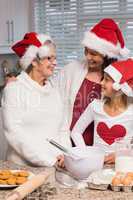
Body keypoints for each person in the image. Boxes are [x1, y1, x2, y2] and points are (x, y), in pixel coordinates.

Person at [55, 18, 130, 147]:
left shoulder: (119, 78)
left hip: (104, 147)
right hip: (69, 143)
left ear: (107, 55)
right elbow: (51, 93)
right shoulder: (71, 70)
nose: (88, 57)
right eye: (86, 51)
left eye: (94, 54)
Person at [2, 32, 71, 167]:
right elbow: (14, 133)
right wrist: (48, 161)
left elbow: (63, 129)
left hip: (55, 166)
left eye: (55, 58)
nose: (54, 63)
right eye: (49, 58)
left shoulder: (54, 90)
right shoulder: (14, 89)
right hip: (23, 169)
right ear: (33, 60)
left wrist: (65, 155)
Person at [71, 59, 133, 164]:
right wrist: (86, 154)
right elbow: (76, 132)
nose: (101, 82)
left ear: (119, 87)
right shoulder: (95, 106)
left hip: (122, 166)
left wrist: (123, 154)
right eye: (103, 78)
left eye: (107, 80)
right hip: (96, 166)